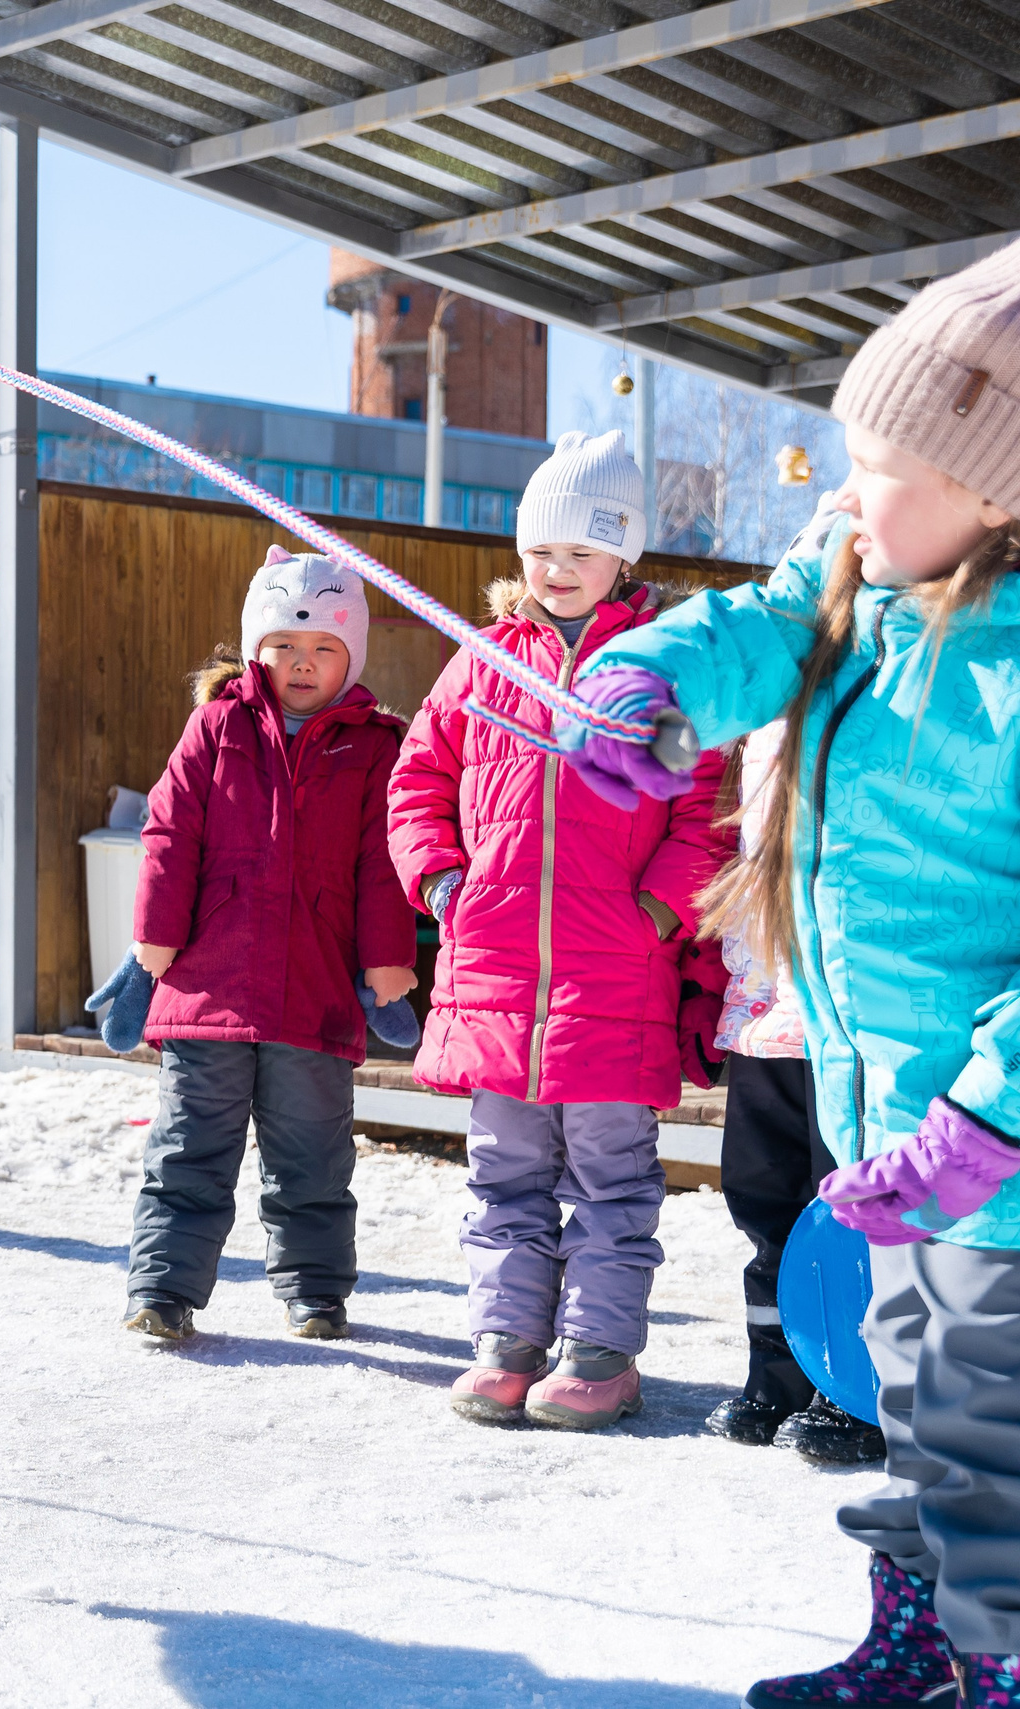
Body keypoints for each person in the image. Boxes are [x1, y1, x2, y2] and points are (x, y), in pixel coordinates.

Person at [555, 244, 1020, 1707]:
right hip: (892, 1135)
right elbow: (751, 624)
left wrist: (990, 1117)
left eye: (880, 461)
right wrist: (651, 681)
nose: (844, 484)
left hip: (993, 1145)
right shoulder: (861, 576)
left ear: (997, 491)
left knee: (994, 1426)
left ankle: (999, 1662)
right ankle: (923, 1635)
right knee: (915, 1400)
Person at [388, 429, 733, 1431]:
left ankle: (598, 1351)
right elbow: (418, 779)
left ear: (622, 555)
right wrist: (442, 879)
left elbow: (701, 801)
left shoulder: (657, 674)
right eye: (540, 550)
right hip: (494, 969)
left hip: (612, 973)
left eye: (579, 551)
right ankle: (505, 1339)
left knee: (611, 1177)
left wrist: (657, 910)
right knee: (502, 1173)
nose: (554, 569)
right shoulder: (481, 665)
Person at [110, 545, 417, 1344]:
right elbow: (169, 830)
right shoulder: (216, 727)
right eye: (285, 647)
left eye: (323, 649)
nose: (303, 664)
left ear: (350, 657)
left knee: (313, 1159)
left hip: (311, 995)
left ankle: (315, 1291)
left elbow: (384, 864)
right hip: (208, 988)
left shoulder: (375, 746)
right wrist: (155, 936)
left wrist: (387, 960)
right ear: (256, 650)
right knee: (187, 1150)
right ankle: (161, 1288)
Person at [703, 722, 884, 1465]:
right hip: (764, 1006)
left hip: (853, 1011)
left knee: (845, 1212)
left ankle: (853, 1389)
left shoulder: (884, 683)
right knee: (764, 1202)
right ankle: (774, 1375)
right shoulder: (761, 706)